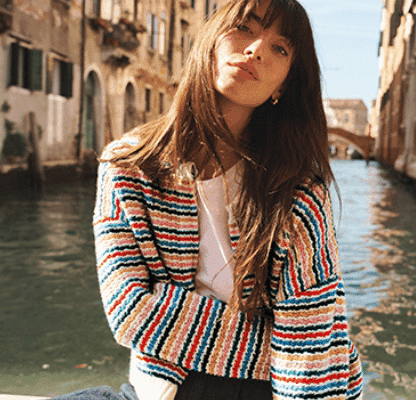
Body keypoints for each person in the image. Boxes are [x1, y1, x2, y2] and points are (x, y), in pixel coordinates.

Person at [57, 0, 363, 399]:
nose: (256, 50)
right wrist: (287, 341)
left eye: (280, 48)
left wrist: (306, 347)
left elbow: (308, 337)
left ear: (283, 84)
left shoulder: (298, 190)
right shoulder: (127, 167)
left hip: (267, 391)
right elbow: (131, 310)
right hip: (163, 385)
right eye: (246, 28)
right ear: (212, 38)